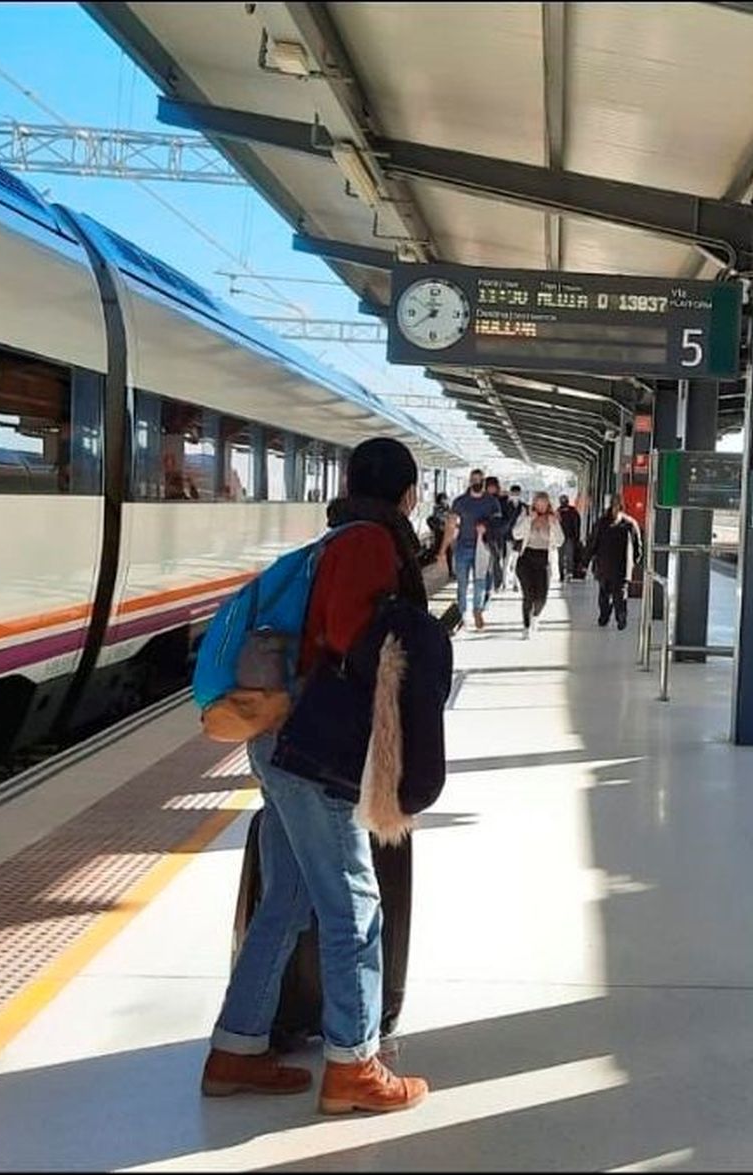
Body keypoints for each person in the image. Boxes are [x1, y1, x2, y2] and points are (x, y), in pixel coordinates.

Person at [201, 437, 430, 1116]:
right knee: (354, 905)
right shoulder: (367, 544)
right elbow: (349, 642)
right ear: (408, 493)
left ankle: (235, 1048)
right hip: (312, 746)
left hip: (279, 739)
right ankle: (353, 1065)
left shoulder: (337, 538)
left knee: (287, 897)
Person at [451, 470, 503, 630]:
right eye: (474, 479)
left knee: (480, 581)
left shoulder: (492, 502)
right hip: (462, 546)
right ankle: (461, 614)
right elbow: (452, 523)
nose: (476, 482)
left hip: (482, 547)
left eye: (479, 479)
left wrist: (486, 526)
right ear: (470, 481)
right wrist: (448, 545)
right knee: (462, 583)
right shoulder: (460, 502)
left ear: (483, 481)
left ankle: (477, 610)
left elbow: (498, 523)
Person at [582, 501, 642, 630]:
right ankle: (617, 614)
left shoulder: (603, 523)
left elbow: (592, 543)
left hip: (607, 565)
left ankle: (610, 616)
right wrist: (636, 559)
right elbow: (637, 545)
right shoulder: (629, 523)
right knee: (616, 593)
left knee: (609, 593)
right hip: (619, 565)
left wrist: (585, 561)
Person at [511, 491, 562, 638]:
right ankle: (526, 626)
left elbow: (560, 541)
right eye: (538, 503)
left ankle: (535, 616)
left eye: (544, 503)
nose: (541, 506)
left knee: (541, 597)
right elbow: (516, 534)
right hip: (526, 559)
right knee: (528, 595)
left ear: (548, 504)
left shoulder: (552, 519)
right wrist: (528, 520)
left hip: (543, 560)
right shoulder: (526, 516)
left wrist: (554, 524)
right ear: (534, 503)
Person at [484, 475, 509, 594]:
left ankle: (496, 583)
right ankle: (492, 584)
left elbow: (507, 518)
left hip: (497, 534)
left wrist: (503, 528)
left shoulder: (503, 500)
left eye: (493, 487)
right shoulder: (481, 500)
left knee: (496, 558)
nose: (491, 489)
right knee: (490, 559)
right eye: (489, 487)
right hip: (484, 534)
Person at [556, 495, 582, 582]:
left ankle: (567, 573)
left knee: (567, 556)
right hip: (563, 538)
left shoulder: (572, 512)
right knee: (563, 556)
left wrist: (576, 537)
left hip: (568, 537)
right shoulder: (559, 512)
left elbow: (576, 525)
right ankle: (563, 574)